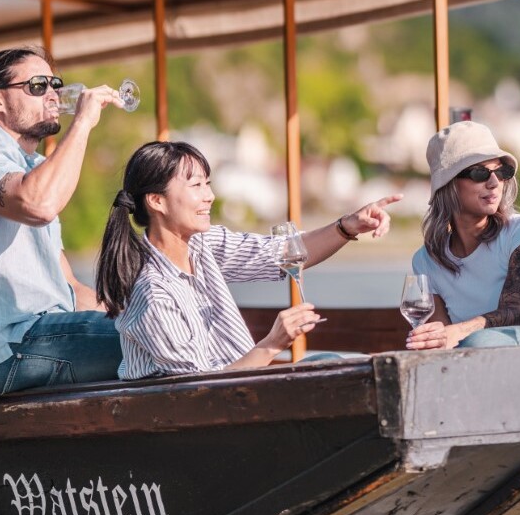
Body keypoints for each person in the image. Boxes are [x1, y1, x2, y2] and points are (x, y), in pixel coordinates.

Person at [98, 140, 401, 377]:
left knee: (331, 365)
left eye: (208, 184)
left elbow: (282, 252)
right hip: (197, 424)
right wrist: (272, 344)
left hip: (239, 394)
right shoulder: (152, 292)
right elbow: (200, 391)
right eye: (196, 186)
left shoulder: (203, 245)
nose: (210, 196)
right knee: (332, 373)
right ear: (156, 201)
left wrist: (348, 226)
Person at [0, 47, 126, 395]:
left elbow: (69, 289)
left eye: (55, 84)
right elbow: (39, 204)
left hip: (40, 337)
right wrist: (82, 121)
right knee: (152, 341)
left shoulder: (34, 167)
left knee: (152, 328)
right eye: (37, 86)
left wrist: (133, 309)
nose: (52, 94)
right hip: (4, 349)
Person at [405, 121, 520, 350]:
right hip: (470, 361)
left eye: (501, 171)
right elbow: (441, 338)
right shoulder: (425, 260)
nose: (494, 182)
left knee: (478, 341)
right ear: (448, 184)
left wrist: (459, 332)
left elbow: (515, 311)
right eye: (479, 173)